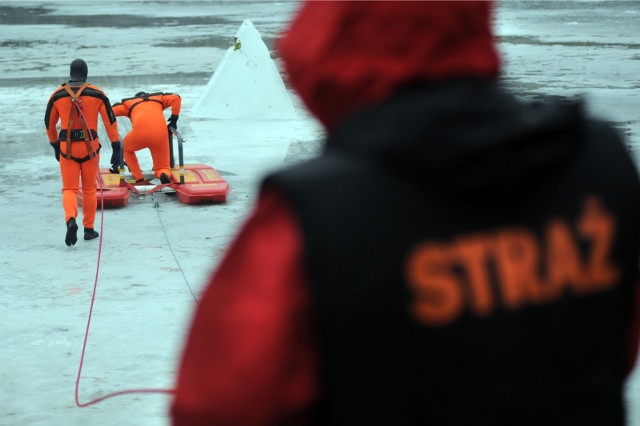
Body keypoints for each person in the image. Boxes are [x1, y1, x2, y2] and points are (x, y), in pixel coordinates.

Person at [171, 2, 640, 425]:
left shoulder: (315, 217)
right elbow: (618, 337)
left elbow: (218, 404)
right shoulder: (598, 164)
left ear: (329, 50)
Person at [45, 58, 121, 246]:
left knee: (69, 189)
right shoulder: (98, 94)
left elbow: (49, 124)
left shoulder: (57, 95)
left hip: (67, 149)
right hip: (90, 148)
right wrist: (116, 146)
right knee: (89, 189)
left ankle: (71, 220)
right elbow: (110, 121)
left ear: (71, 74)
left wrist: (55, 145)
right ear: (86, 74)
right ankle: (88, 229)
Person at [111, 91, 181, 184]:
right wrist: (174, 120)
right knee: (163, 167)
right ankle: (162, 173)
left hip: (139, 135)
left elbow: (110, 111)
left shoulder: (130, 104)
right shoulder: (158, 99)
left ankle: (138, 177)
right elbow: (176, 98)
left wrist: (115, 105)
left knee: (126, 148)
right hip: (160, 135)